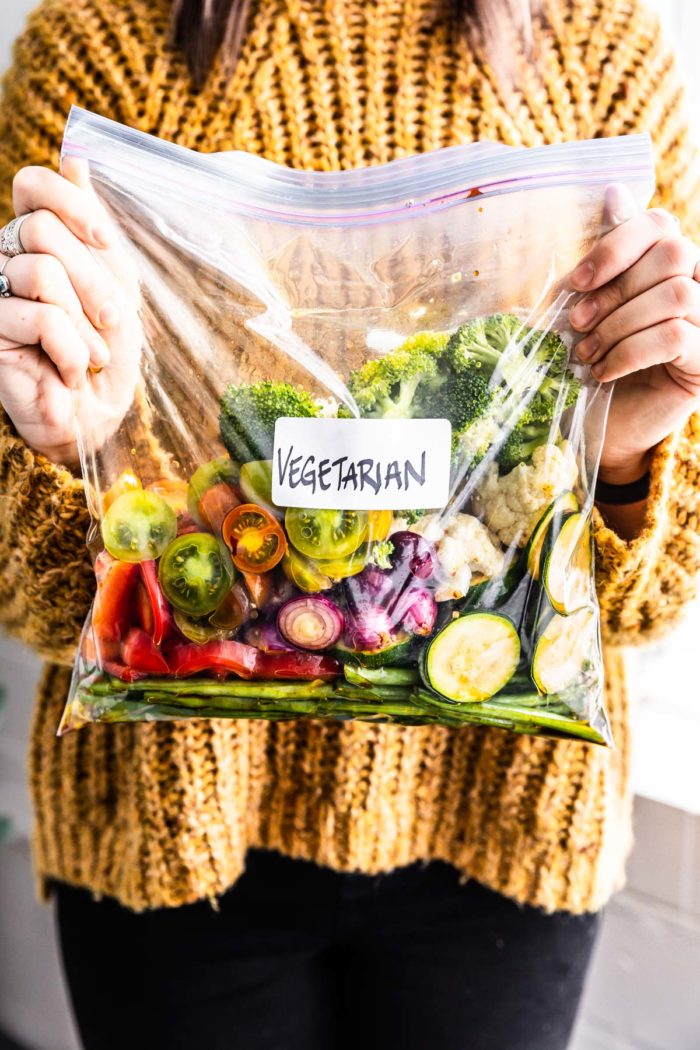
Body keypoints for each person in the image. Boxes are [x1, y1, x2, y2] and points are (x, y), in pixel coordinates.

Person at [0, 1, 699, 1048]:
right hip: (173, 836)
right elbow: (40, 605)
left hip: (501, 830)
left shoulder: (605, 51)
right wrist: (70, 452)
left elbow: (642, 612)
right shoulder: (94, 44)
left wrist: (622, 454)